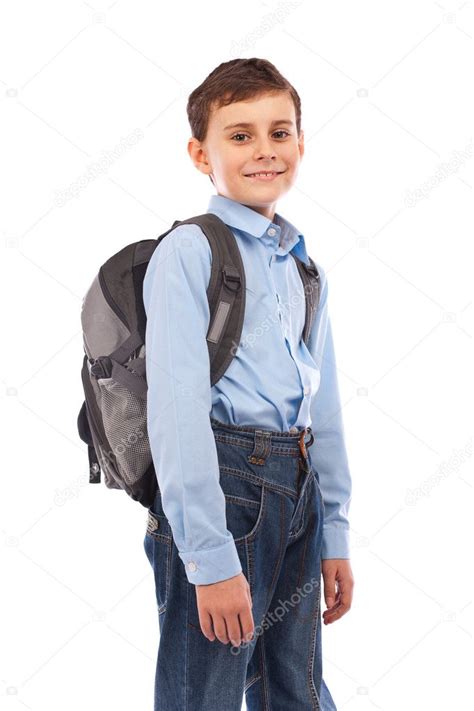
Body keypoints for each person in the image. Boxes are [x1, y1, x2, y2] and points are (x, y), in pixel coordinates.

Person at [142, 57, 354, 710]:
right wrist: (209, 557)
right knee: (203, 691)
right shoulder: (190, 251)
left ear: (299, 142)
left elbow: (324, 405)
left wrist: (334, 533)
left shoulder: (300, 263)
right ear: (199, 153)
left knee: (297, 690)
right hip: (225, 488)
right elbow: (176, 413)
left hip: (297, 485)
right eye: (239, 135)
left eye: (279, 131)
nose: (264, 150)